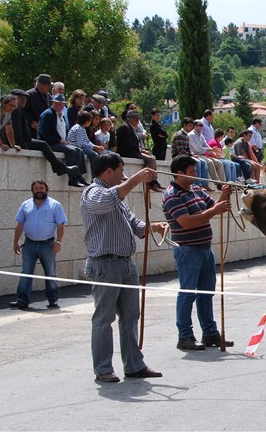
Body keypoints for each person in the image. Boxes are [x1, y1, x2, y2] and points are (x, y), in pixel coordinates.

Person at [80, 152, 166, 382]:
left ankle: (134, 364)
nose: (123, 175)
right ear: (108, 171)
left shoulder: (118, 197)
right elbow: (105, 202)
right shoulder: (93, 193)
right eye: (120, 170)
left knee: (130, 316)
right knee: (104, 318)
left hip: (125, 263)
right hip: (104, 263)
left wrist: (153, 227)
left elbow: (134, 224)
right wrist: (136, 179)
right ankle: (103, 368)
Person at [162, 155, 234, 350]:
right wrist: (215, 211)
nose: (195, 175)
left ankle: (210, 333)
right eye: (192, 172)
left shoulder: (196, 190)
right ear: (179, 173)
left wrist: (225, 195)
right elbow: (186, 222)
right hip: (188, 250)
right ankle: (184, 336)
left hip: (204, 249)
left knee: (206, 293)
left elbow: (213, 206)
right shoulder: (171, 195)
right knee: (188, 293)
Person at [9, 180, 66, 309]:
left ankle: (53, 300)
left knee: (50, 273)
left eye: (41, 188)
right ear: (32, 190)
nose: (39, 190)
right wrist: (16, 242)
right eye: (36, 188)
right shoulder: (26, 205)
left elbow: (61, 224)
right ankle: (22, 300)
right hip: (29, 244)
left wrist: (59, 242)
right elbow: (19, 225)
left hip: (48, 245)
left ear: (46, 190)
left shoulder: (55, 205)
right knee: (26, 272)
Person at [9, 88, 83, 186]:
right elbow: (16, 130)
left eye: (25, 99)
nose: (23, 101)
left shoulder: (20, 110)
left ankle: (78, 175)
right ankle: (61, 168)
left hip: (28, 140)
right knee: (45, 145)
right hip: (35, 142)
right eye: (20, 99)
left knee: (78, 150)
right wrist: (18, 144)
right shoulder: (44, 114)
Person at [38, 93, 89, 186]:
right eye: (57, 103)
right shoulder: (47, 114)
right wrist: (59, 140)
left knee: (79, 151)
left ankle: (79, 175)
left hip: (61, 142)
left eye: (61, 104)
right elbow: (43, 133)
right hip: (51, 143)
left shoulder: (62, 115)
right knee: (71, 151)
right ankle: (72, 178)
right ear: (52, 103)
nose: (59, 106)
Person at [116, 110, 163, 192]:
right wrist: (140, 150)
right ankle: (152, 182)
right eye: (136, 119)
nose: (137, 122)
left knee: (152, 157)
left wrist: (141, 150)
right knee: (150, 159)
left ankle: (154, 180)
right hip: (127, 152)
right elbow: (128, 143)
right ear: (131, 119)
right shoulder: (125, 128)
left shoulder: (131, 128)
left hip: (133, 151)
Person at [172, 117, 212, 190]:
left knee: (203, 162)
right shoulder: (179, 135)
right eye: (189, 125)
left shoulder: (186, 135)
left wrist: (192, 155)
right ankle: (197, 185)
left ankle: (205, 184)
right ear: (184, 125)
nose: (191, 128)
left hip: (185, 155)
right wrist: (191, 155)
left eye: (191, 126)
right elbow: (181, 151)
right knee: (197, 162)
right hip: (178, 157)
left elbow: (187, 149)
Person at [188, 119, 225, 184]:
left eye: (202, 125)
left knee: (219, 163)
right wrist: (210, 150)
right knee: (209, 162)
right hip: (194, 155)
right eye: (200, 125)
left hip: (202, 155)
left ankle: (223, 183)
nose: (202, 127)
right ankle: (217, 183)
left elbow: (206, 145)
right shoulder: (191, 135)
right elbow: (198, 149)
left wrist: (214, 153)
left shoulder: (201, 135)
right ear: (195, 126)